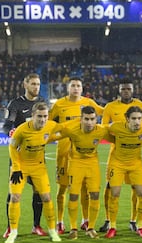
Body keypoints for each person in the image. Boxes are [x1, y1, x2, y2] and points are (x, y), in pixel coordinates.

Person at [49, 76, 103, 234]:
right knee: (62, 188)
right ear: (68, 88)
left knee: (86, 189)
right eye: (73, 85)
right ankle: (60, 221)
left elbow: (104, 113)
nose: (76, 88)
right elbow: (50, 124)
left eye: (78, 86)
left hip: (81, 154)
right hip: (64, 152)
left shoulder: (88, 103)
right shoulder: (59, 104)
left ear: (82, 88)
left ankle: (85, 220)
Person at [5, 102, 62, 243]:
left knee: (46, 198)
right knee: (15, 197)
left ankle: (52, 231)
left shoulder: (50, 125)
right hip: (21, 167)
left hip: (38, 167)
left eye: (45, 116)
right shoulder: (21, 130)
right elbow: (12, 148)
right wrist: (16, 167)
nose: (42, 120)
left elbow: (64, 130)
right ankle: (13, 232)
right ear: (32, 116)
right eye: (39, 116)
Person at [55, 106, 112, 240]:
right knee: (74, 196)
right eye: (86, 119)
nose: (89, 122)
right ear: (81, 119)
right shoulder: (72, 130)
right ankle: (73, 228)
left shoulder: (101, 130)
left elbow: (115, 138)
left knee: (95, 195)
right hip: (76, 164)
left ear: (96, 119)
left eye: (92, 119)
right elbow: (54, 135)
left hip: (92, 165)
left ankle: (90, 227)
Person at [99, 78, 142, 233]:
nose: (126, 91)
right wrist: (116, 140)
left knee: (136, 188)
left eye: (128, 88)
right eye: (123, 89)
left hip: (134, 154)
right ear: (119, 90)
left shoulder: (141, 106)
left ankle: (133, 221)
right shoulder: (110, 107)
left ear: (133, 90)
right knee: (110, 188)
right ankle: (108, 220)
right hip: (116, 154)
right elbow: (104, 128)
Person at [2, 73, 47, 238]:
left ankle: (36, 226)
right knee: (14, 192)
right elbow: (7, 125)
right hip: (19, 157)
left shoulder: (42, 103)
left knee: (39, 190)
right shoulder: (16, 104)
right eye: (33, 84)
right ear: (25, 85)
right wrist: (11, 132)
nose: (36, 87)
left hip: (36, 156)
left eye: (38, 84)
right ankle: (10, 227)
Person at [104, 106, 142, 239]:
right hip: (117, 163)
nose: (137, 122)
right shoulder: (115, 127)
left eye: (139, 118)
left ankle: (140, 226)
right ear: (127, 119)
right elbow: (100, 130)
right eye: (134, 118)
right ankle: (112, 226)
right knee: (114, 194)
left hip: (135, 164)